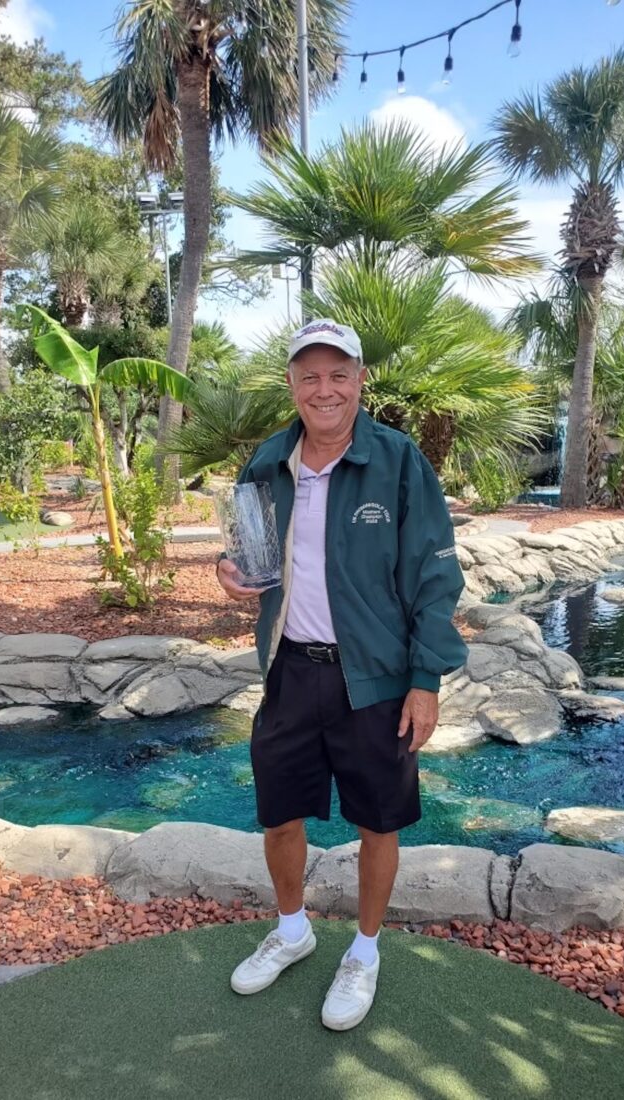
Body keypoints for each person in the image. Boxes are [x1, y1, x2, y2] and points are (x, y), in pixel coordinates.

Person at [216, 318, 467, 1031]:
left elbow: (433, 574)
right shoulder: (266, 463)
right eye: (309, 375)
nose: (324, 389)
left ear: (359, 380)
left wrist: (427, 679)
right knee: (278, 814)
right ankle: (291, 932)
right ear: (291, 384)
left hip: (377, 679)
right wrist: (227, 572)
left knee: (376, 821)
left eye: (338, 374)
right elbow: (247, 554)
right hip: (291, 671)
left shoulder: (396, 461)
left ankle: (363, 951)